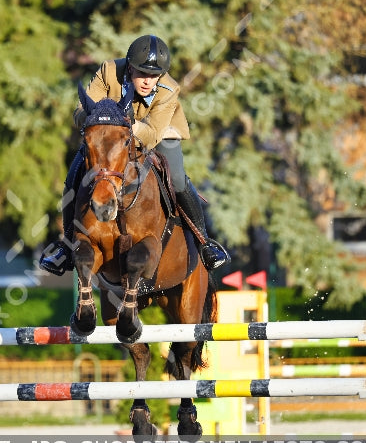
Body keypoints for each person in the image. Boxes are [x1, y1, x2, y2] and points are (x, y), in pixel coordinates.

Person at [40, 34, 230, 276]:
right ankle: (67, 246)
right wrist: (99, 119)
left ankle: (204, 243)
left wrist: (123, 124)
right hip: (110, 134)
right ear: (129, 67)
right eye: (142, 73)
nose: (148, 81)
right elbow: (80, 112)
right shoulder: (109, 71)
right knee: (75, 171)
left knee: (178, 178)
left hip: (159, 132)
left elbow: (150, 135)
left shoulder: (169, 89)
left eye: (154, 75)